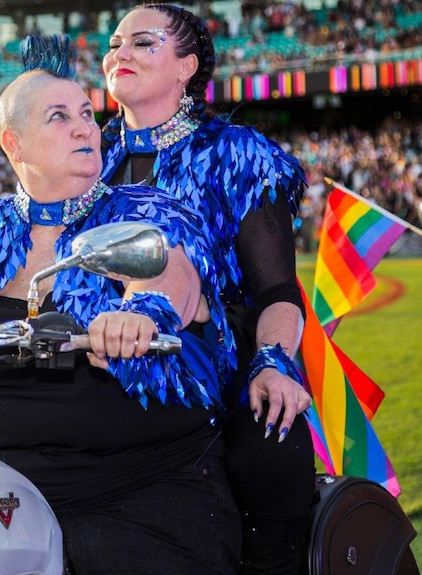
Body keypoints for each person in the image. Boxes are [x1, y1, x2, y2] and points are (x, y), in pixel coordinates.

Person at [0, 39, 242, 575]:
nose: (85, 127)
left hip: (131, 495)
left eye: (89, 115)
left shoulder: (144, 209)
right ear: (14, 143)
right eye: (59, 116)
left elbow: (170, 275)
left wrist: (142, 317)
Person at [99, 5, 315, 574]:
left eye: (142, 44)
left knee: (271, 448)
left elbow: (277, 292)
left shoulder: (236, 153)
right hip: (106, 355)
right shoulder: (88, 157)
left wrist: (271, 365)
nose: (119, 53)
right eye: (115, 42)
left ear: (186, 67)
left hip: (226, 364)